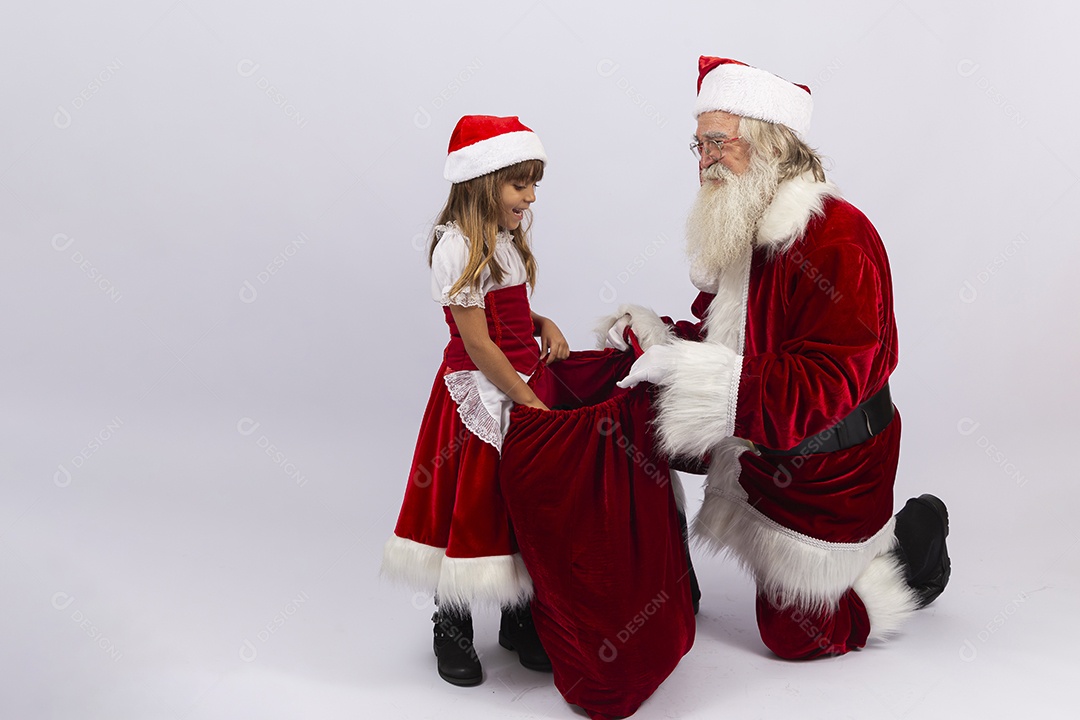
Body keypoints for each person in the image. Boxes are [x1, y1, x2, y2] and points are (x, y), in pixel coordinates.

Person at [608, 57, 951, 659]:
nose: (704, 159)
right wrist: (656, 340)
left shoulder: (837, 238)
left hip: (829, 464)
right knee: (626, 413)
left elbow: (826, 385)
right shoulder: (746, 224)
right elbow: (729, 344)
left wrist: (688, 374)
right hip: (762, 436)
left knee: (795, 637)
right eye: (699, 143)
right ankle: (658, 582)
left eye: (719, 143)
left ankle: (911, 545)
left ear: (769, 144)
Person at [381, 115, 569, 685]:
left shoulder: (506, 239)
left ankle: (517, 616)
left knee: (518, 499)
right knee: (471, 502)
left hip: (519, 378)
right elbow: (478, 341)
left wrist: (544, 322)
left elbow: (506, 315)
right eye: (520, 184)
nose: (531, 197)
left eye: (534, 183)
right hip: (482, 392)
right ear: (484, 182)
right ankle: (452, 623)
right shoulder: (456, 245)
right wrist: (527, 399)